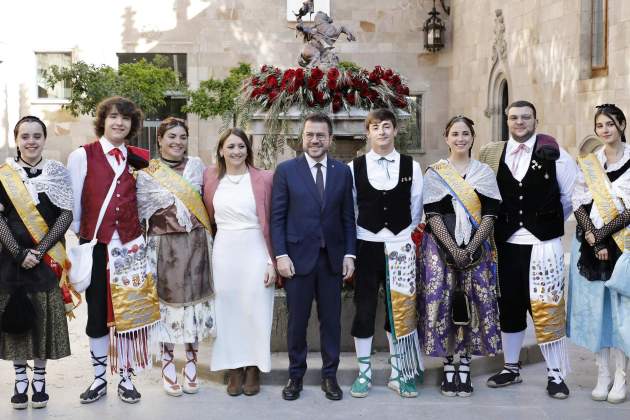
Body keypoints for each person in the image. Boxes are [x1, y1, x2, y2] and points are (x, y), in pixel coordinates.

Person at [479, 100, 577, 399]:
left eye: (525, 117)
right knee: (510, 306)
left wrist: (544, 223)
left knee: (547, 308)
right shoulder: (493, 154)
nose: (519, 122)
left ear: (536, 120)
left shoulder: (556, 154)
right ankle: (511, 367)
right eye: (513, 117)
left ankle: (556, 374)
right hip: (507, 244)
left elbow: (570, 197)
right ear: (507, 121)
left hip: (543, 244)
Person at [67, 96, 159, 404]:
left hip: (131, 248)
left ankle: (126, 378)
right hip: (98, 246)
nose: (119, 123)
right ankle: (97, 378)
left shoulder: (139, 159)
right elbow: (75, 205)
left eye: (126, 119)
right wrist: (88, 236)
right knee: (97, 315)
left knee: (129, 314)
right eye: (113, 117)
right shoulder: (82, 156)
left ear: (132, 125)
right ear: (103, 121)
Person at [271, 112, 356, 401]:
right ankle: (295, 376)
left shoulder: (343, 172)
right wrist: (281, 255)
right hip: (297, 259)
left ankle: (330, 376)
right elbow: (277, 218)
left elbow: (347, 219)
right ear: (302, 138)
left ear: (330, 139)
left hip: (331, 260)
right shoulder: (286, 171)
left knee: (331, 321)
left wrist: (349, 254)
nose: (315, 139)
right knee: (297, 321)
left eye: (321, 135)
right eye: (310, 134)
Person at [418, 115, 502, 397]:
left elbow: (490, 214)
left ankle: (465, 364)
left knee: (472, 305)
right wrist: (453, 249)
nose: (460, 139)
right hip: (439, 250)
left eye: (465, 134)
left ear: (472, 138)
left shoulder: (484, 173)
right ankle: (448, 364)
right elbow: (432, 214)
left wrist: (471, 248)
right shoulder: (436, 172)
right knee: (444, 303)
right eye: (455, 134)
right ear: (446, 138)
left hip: (477, 251)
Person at [347, 108, 423, 399]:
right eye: (375, 127)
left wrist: (403, 236)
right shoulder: (355, 167)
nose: (382, 131)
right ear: (367, 132)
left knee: (401, 313)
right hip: (367, 244)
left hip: (401, 245)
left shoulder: (411, 166)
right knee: (364, 309)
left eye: (387, 126)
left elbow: (416, 208)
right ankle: (364, 372)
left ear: (395, 130)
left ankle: (399, 373)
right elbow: (351, 209)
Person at [136, 117, 214, 397]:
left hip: (195, 243)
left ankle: (191, 362)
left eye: (182, 137)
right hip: (163, 247)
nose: (177, 142)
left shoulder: (196, 167)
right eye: (171, 137)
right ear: (159, 140)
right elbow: (141, 212)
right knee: (167, 307)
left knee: (193, 305)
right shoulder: (147, 173)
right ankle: (168, 362)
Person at [0, 116, 73, 409]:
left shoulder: (57, 173)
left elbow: (65, 215)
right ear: (17, 140)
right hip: (10, 259)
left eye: (36, 136)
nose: (31, 141)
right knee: (16, 318)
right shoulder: (4, 174)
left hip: (45, 261)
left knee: (42, 318)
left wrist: (39, 252)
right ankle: (20, 380)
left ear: (44, 139)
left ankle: (40, 380)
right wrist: (19, 253)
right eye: (25, 136)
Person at [203, 128, 275, 397]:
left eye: (241, 146)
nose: (236, 151)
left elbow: (272, 223)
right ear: (221, 150)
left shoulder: (264, 178)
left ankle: (254, 367)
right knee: (228, 310)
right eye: (230, 146)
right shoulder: (210, 178)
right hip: (224, 249)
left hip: (256, 247)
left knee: (255, 309)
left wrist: (271, 260)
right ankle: (234, 368)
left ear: (248, 149)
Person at [568, 103, 630, 403]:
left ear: (621, 125)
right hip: (593, 247)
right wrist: (594, 240)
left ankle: (621, 377)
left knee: (621, 312)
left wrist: (603, 236)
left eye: (610, 124)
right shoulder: (590, 163)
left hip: (624, 245)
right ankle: (602, 373)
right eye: (600, 125)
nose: (605, 130)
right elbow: (578, 203)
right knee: (597, 311)